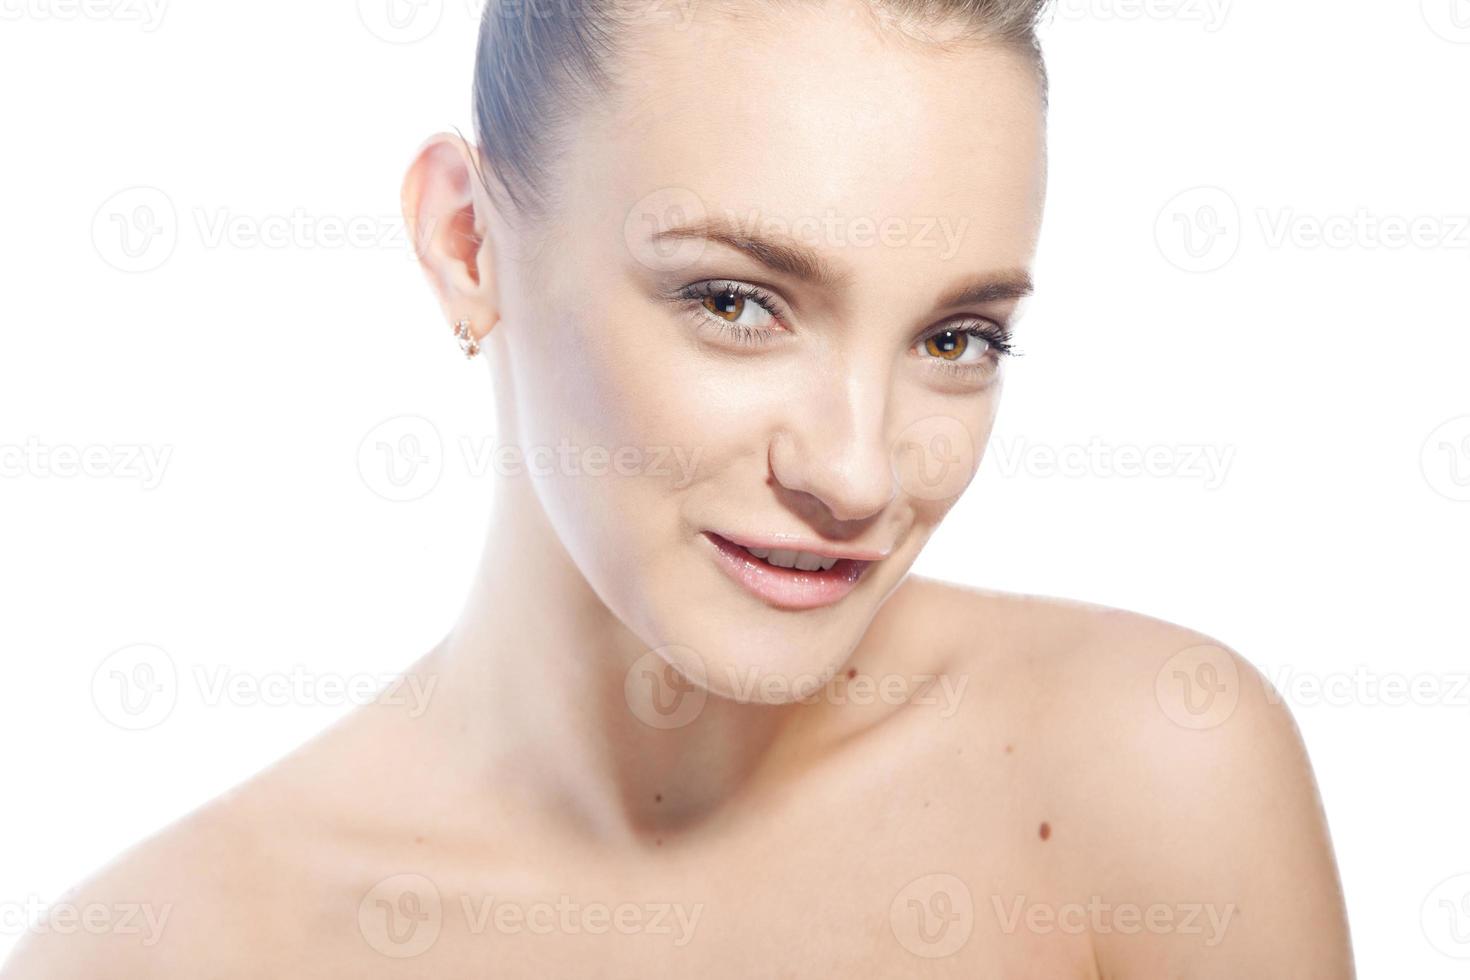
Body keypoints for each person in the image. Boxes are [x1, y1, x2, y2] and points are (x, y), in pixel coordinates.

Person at [4, 0, 1355, 974]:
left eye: (955, 339)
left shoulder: (1153, 771)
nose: (855, 470)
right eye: (735, 302)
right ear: (467, 242)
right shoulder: (176, 949)